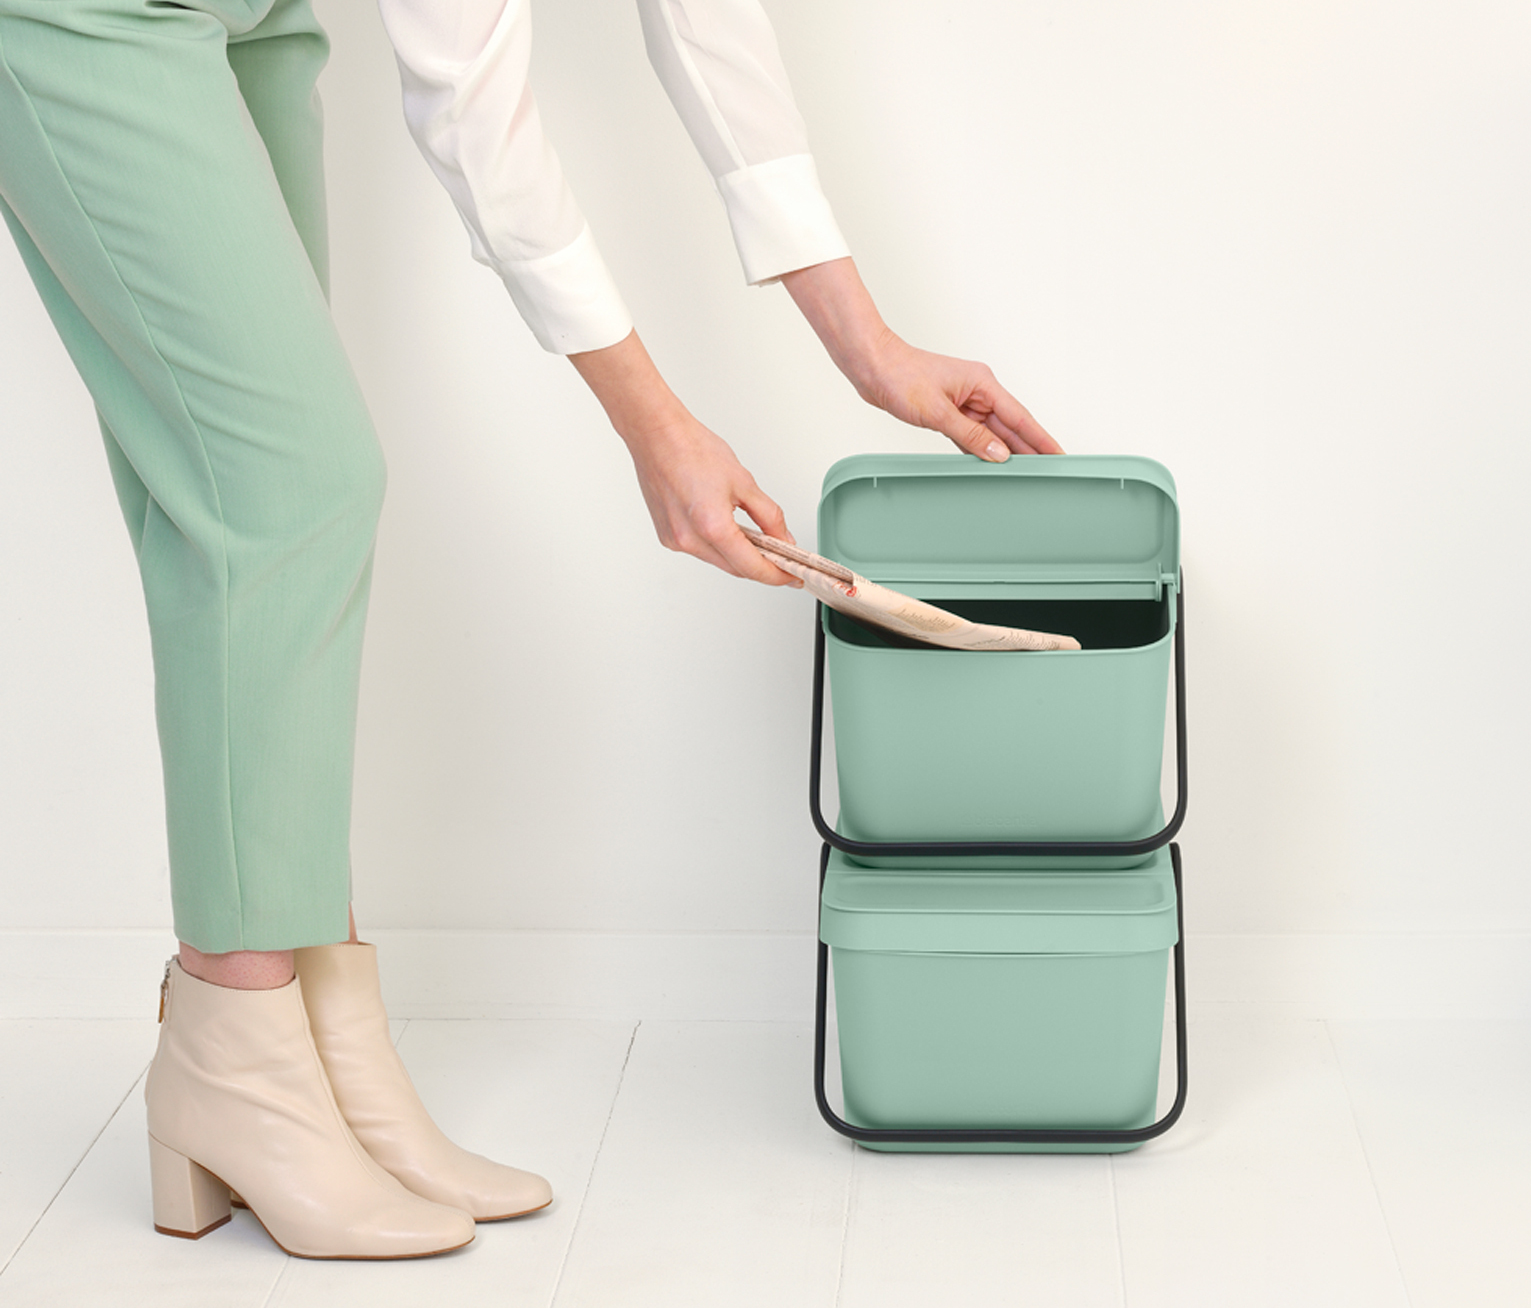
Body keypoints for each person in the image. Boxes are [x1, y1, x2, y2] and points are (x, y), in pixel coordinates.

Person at [0, 0, 1059, 1259]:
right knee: (290, 493)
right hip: (88, 16)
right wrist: (654, 425)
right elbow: (473, 103)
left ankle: (320, 1042)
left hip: (255, 15)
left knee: (248, 522)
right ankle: (235, 1048)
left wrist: (866, 345)